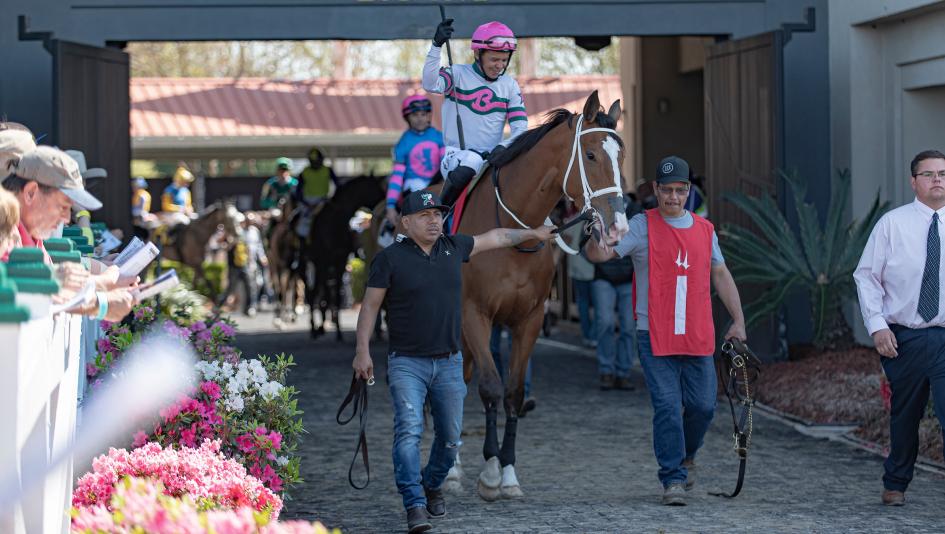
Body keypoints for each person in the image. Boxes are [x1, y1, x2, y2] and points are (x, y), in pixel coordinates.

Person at [352, 190, 556, 533]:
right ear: (406, 222)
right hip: (407, 364)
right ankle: (414, 502)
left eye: (438, 214)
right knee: (409, 433)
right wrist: (362, 351)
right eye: (425, 215)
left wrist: (533, 234)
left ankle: (431, 483)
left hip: (449, 363)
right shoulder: (389, 259)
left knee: (449, 441)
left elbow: (497, 237)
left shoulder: (454, 247)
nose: (435, 221)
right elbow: (370, 307)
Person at [584, 155, 747, 506]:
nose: (673, 197)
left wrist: (738, 320)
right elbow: (601, 255)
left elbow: (720, 273)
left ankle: (687, 456)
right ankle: (672, 477)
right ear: (655, 189)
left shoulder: (705, 230)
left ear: (688, 190)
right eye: (667, 190)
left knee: (703, 407)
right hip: (654, 334)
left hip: (698, 333)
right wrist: (595, 234)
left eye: (680, 190)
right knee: (668, 407)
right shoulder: (641, 226)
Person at [853, 149, 945, 507]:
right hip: (904, 338)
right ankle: (896, 481)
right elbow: (866, 277)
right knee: (906, 414)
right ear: (914, 182)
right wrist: (877, 327)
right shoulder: (892, 224)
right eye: (929, 174)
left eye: (943, 173)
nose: (937, 179)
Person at [3, 145, 134, 321]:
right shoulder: (5, 233)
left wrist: (99, 293)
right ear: (31, 192)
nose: (66, 218)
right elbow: (18, 294)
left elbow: (46, 293)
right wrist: (100, 296)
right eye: (63, 207)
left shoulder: (32, 235)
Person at [422, 19, 528, 207]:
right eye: (494, 59)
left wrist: (505, 146)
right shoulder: (457, 74)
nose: (499, 66)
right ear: (478, 53)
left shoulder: (510, 85)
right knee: (472, 160)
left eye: (504, 60)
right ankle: (442, 212)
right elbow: (430, 84)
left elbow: (520, 128)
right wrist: (436, 46)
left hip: (493, 159)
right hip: (456, 156)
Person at [591, 195, 642, 391]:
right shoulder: (598, 212)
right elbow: (585, 246)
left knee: (629, 327)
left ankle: (623, 372)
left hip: (629, 278)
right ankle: (606, 370)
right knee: (605, 322)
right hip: (603, 277)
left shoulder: (637, 214)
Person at [386, 95, 445, 227]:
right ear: (407, 118)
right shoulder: (403, 143)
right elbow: (396, 177)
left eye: (423, 114)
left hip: (438, 183)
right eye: (415, 115)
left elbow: (446, 163)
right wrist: (390, 205)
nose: (419, 119)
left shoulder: (439, 137)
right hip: (414, 186)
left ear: (429, 116)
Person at [562, 216, 596, 348]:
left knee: (583, 303)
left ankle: (587, 335)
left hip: (577, 266)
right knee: (597, 305)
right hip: (595, 267)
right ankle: (594, 335)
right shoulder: (597, 217)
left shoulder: (573, 218)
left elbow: (567, 240)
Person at [294, 147, 340, 239]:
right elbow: (298, 192)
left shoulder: (328, 170)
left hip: (323, 201)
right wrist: (306, 204)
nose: (315, 163)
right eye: (313, 161)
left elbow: (338, 186)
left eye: (317, 161)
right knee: (301, 226)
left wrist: (332, 199)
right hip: (307, 203)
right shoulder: (304, 172)